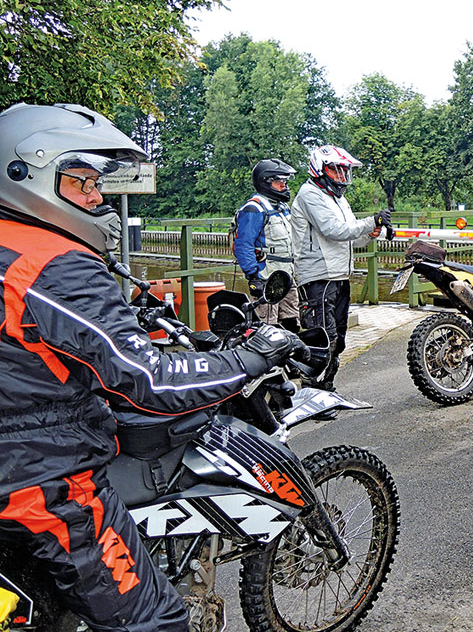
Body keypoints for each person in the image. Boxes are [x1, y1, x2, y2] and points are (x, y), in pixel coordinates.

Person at [0, 103, 304, 632]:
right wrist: (246, 357)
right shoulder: (53, 264)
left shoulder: (10, 245)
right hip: (40, 475)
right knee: (157, 621)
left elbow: (41, 335)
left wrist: (130, 317)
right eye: (82, 183)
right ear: (30, 173)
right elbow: (150, 380)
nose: (97, 198)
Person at [291, 145, 391, 390]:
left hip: (339, 275)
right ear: (320, 169)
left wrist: (372, 232)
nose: (342, 176)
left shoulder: (338, 199)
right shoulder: (310, 194)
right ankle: (311, 389)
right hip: (318, 277)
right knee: (323, 337)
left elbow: (351, 237)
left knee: (340, 339)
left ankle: (327, 387)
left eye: (345, 170)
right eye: (337, 170)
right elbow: (332, 230)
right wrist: (371, 221)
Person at [232, 158, 300, 331]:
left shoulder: (282, 207)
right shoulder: (254, 209)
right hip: (267, 276)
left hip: (286, 276)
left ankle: (289, 356)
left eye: (285, 181)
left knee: (291, 322)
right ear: (266, 182)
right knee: (267, 326)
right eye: (279, 182)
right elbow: (243, 244)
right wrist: (253, 276)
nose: (284, 186)